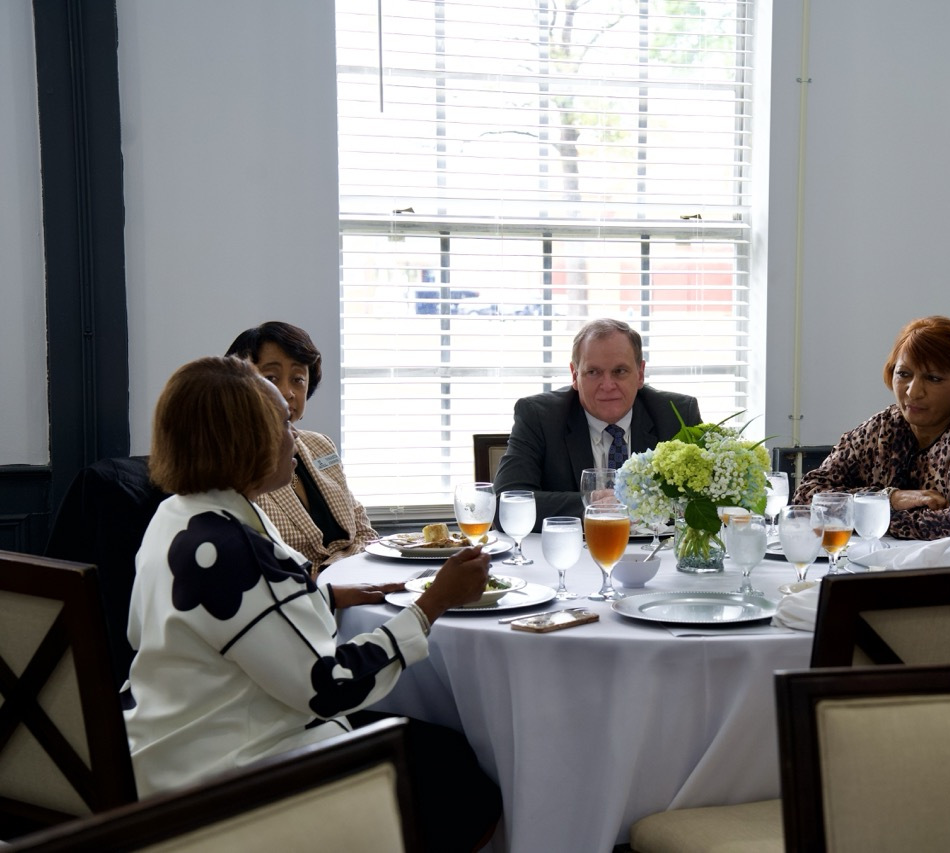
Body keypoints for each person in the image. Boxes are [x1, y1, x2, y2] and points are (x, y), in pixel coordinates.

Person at [124, 356, 500, 851]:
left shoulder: (177, 517)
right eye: (283, 424)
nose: (294, 439)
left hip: (163, 747)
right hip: (226, 771)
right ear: (246, 439)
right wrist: (432, 604)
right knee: (458, 777)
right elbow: (329, 686)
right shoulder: (235, 548)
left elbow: (216, 620)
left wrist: (324, 595)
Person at [793, 315, 950, 546]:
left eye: (933, 378)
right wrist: (890, 498)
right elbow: (807, 496)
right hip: (886, 565)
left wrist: (874, 516)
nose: (913, 391)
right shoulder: (883, 427)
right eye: (904, 374)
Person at [493, 318, 702, 528]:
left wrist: (642, 507)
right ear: (574, 375)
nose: (608, 385)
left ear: (640, 374)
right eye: (593, 372)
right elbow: (506, 504)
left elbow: (707, 500)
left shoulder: (678, 416)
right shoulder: (539, 417)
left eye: (620, 371)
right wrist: (594, 505)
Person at [226, 321, 378, 571]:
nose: (287, 392)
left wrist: (350, 571)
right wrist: (327, 578)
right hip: (298, 590)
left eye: (298, 379)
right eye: (271, 378)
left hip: (358, 579)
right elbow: (257, 563)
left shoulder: (320, 445)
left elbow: (363, 530)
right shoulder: (230, 464)